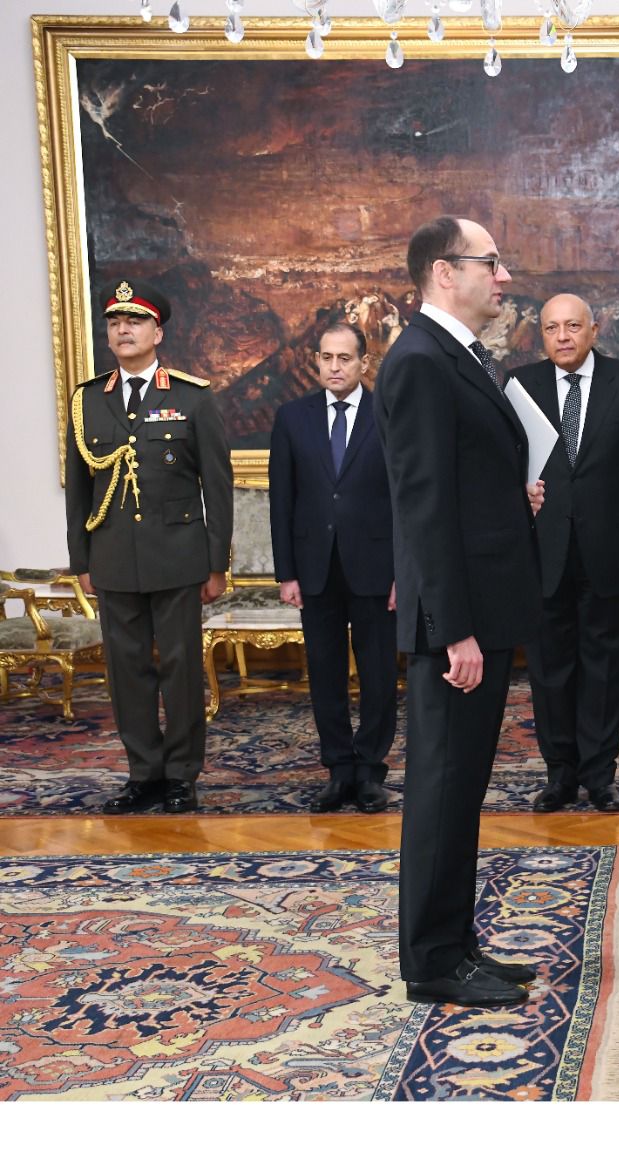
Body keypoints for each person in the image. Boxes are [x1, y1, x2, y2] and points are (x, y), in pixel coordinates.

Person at [376, 216, 545, 1008]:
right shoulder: (419, 360)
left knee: (462, 784)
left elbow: (461, 484)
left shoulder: (459, 355)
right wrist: (454, 630)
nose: (503, 277)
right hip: (458, 625)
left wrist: (513, 496)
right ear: (446, 272)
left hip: (482, 607)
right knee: (442, 787)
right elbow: (423, 507)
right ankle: (433, 961)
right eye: (491, 262)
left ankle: (456, 942)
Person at [65, 279, 232, 815]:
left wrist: (217, 564)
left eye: (135, 321)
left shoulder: (191, 396)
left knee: (181, 670)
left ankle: (181, 775)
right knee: (126, 672)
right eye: (115, 322)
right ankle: (144, 774)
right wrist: (81, 561)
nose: (123, 330)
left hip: (178, 558)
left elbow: (217, 486)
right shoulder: (88, 401)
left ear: (157, 333)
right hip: (113, 559)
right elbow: (79, 490)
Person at [506, 293, 619, 814]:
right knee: (549, 669)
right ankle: (560, 775)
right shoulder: (520, 386)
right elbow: (506, 467)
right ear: (541, 334)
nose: (563, 337)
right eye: (552, 328)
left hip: (610, 551)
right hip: (542, 551)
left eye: (573, 326)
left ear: (594, 330)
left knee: (605, 667)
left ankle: (600, 777)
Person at [268, 322, 397, 814]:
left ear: (364, 363)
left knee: (379, 675)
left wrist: (404, 573)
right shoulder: (292, 417)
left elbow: (404, 499)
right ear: (316, 362)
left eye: (345, 358)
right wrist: (287, 573)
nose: (335, 367)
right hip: (315, 569)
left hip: (377, 568)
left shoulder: (389, 415)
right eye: (327, 358)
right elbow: (283, 500)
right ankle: (339, 770)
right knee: (324, 674)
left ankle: (370, 771)